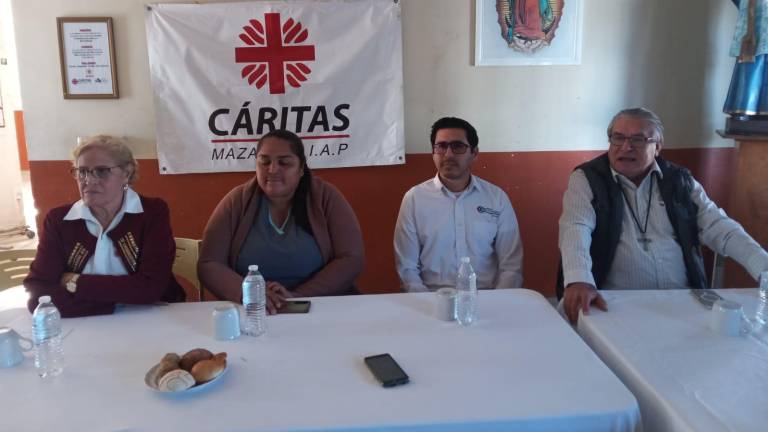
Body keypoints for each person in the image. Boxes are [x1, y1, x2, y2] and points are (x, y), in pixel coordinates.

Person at [558, 107, 768, 324]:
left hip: (685, 300)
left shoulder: (679, 180)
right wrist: (579, 279)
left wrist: (764, 268)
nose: (626, 147)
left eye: (638, 139)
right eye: (618, 138)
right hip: (616, 303)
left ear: (657, 146)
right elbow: (576, 227)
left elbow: (720, 227)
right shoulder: (588, 178)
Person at [198, 129, 364, 313]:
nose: (273, 169)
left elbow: (351, 258)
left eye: (284, 162)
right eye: (264, 161)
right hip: (255, 311)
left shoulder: (326, 198)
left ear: (301, 168)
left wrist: (298, 296)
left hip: (320, 307)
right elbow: (209, 262)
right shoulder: (237, 201)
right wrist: (250, 294)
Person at [24, 135, 185, 317]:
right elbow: (38, 296)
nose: (89, 180)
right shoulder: (59, 220)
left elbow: (151, 288)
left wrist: (75, 282)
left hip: (151, 318)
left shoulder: (151, 213)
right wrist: (116, 305)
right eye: (82, 171)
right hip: (87, 322)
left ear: (126, 173)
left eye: (101, 171)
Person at [394, 117, 523, 292]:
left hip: (487, 297)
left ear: (474, 153)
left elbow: (511, 266)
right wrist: (426, 302)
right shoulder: (414, 199)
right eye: (441, 146)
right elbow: (407, 268)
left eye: (458, 146)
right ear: (433, 152)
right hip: (433, 298)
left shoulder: (496, 198)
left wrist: (498, 301)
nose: (448, 154)